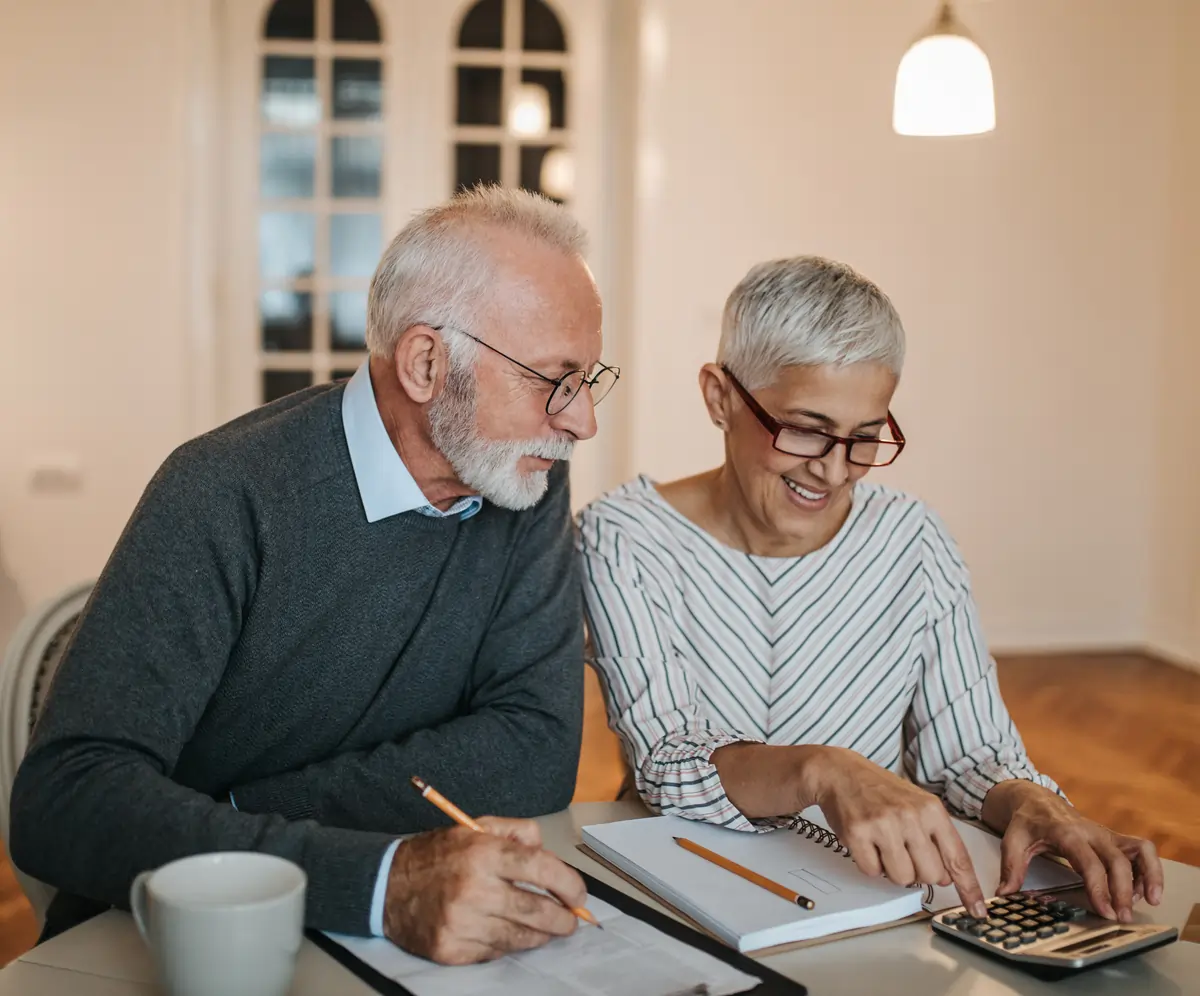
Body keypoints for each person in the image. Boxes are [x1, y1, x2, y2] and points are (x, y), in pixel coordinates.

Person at [11, 186, 621, 966]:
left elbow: (534, 753)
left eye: (589, 379)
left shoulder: (524, 479)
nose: (582, 422)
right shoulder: (224, 492)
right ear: (427, 362)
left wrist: (237, 816)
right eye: (553, 380)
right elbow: (65, 800)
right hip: (181, 941)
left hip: (384, 932)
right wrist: (376, 878)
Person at [578, 256, 1162, 925]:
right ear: (720, 397)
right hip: (686, 887)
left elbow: (970, 754)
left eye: (864, 438)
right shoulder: (624, 537)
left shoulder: (912, 539)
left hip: (875, 893)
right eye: (805, 429)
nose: (832, 471)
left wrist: (1033, 801)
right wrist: (823, 770)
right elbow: (666, 761)